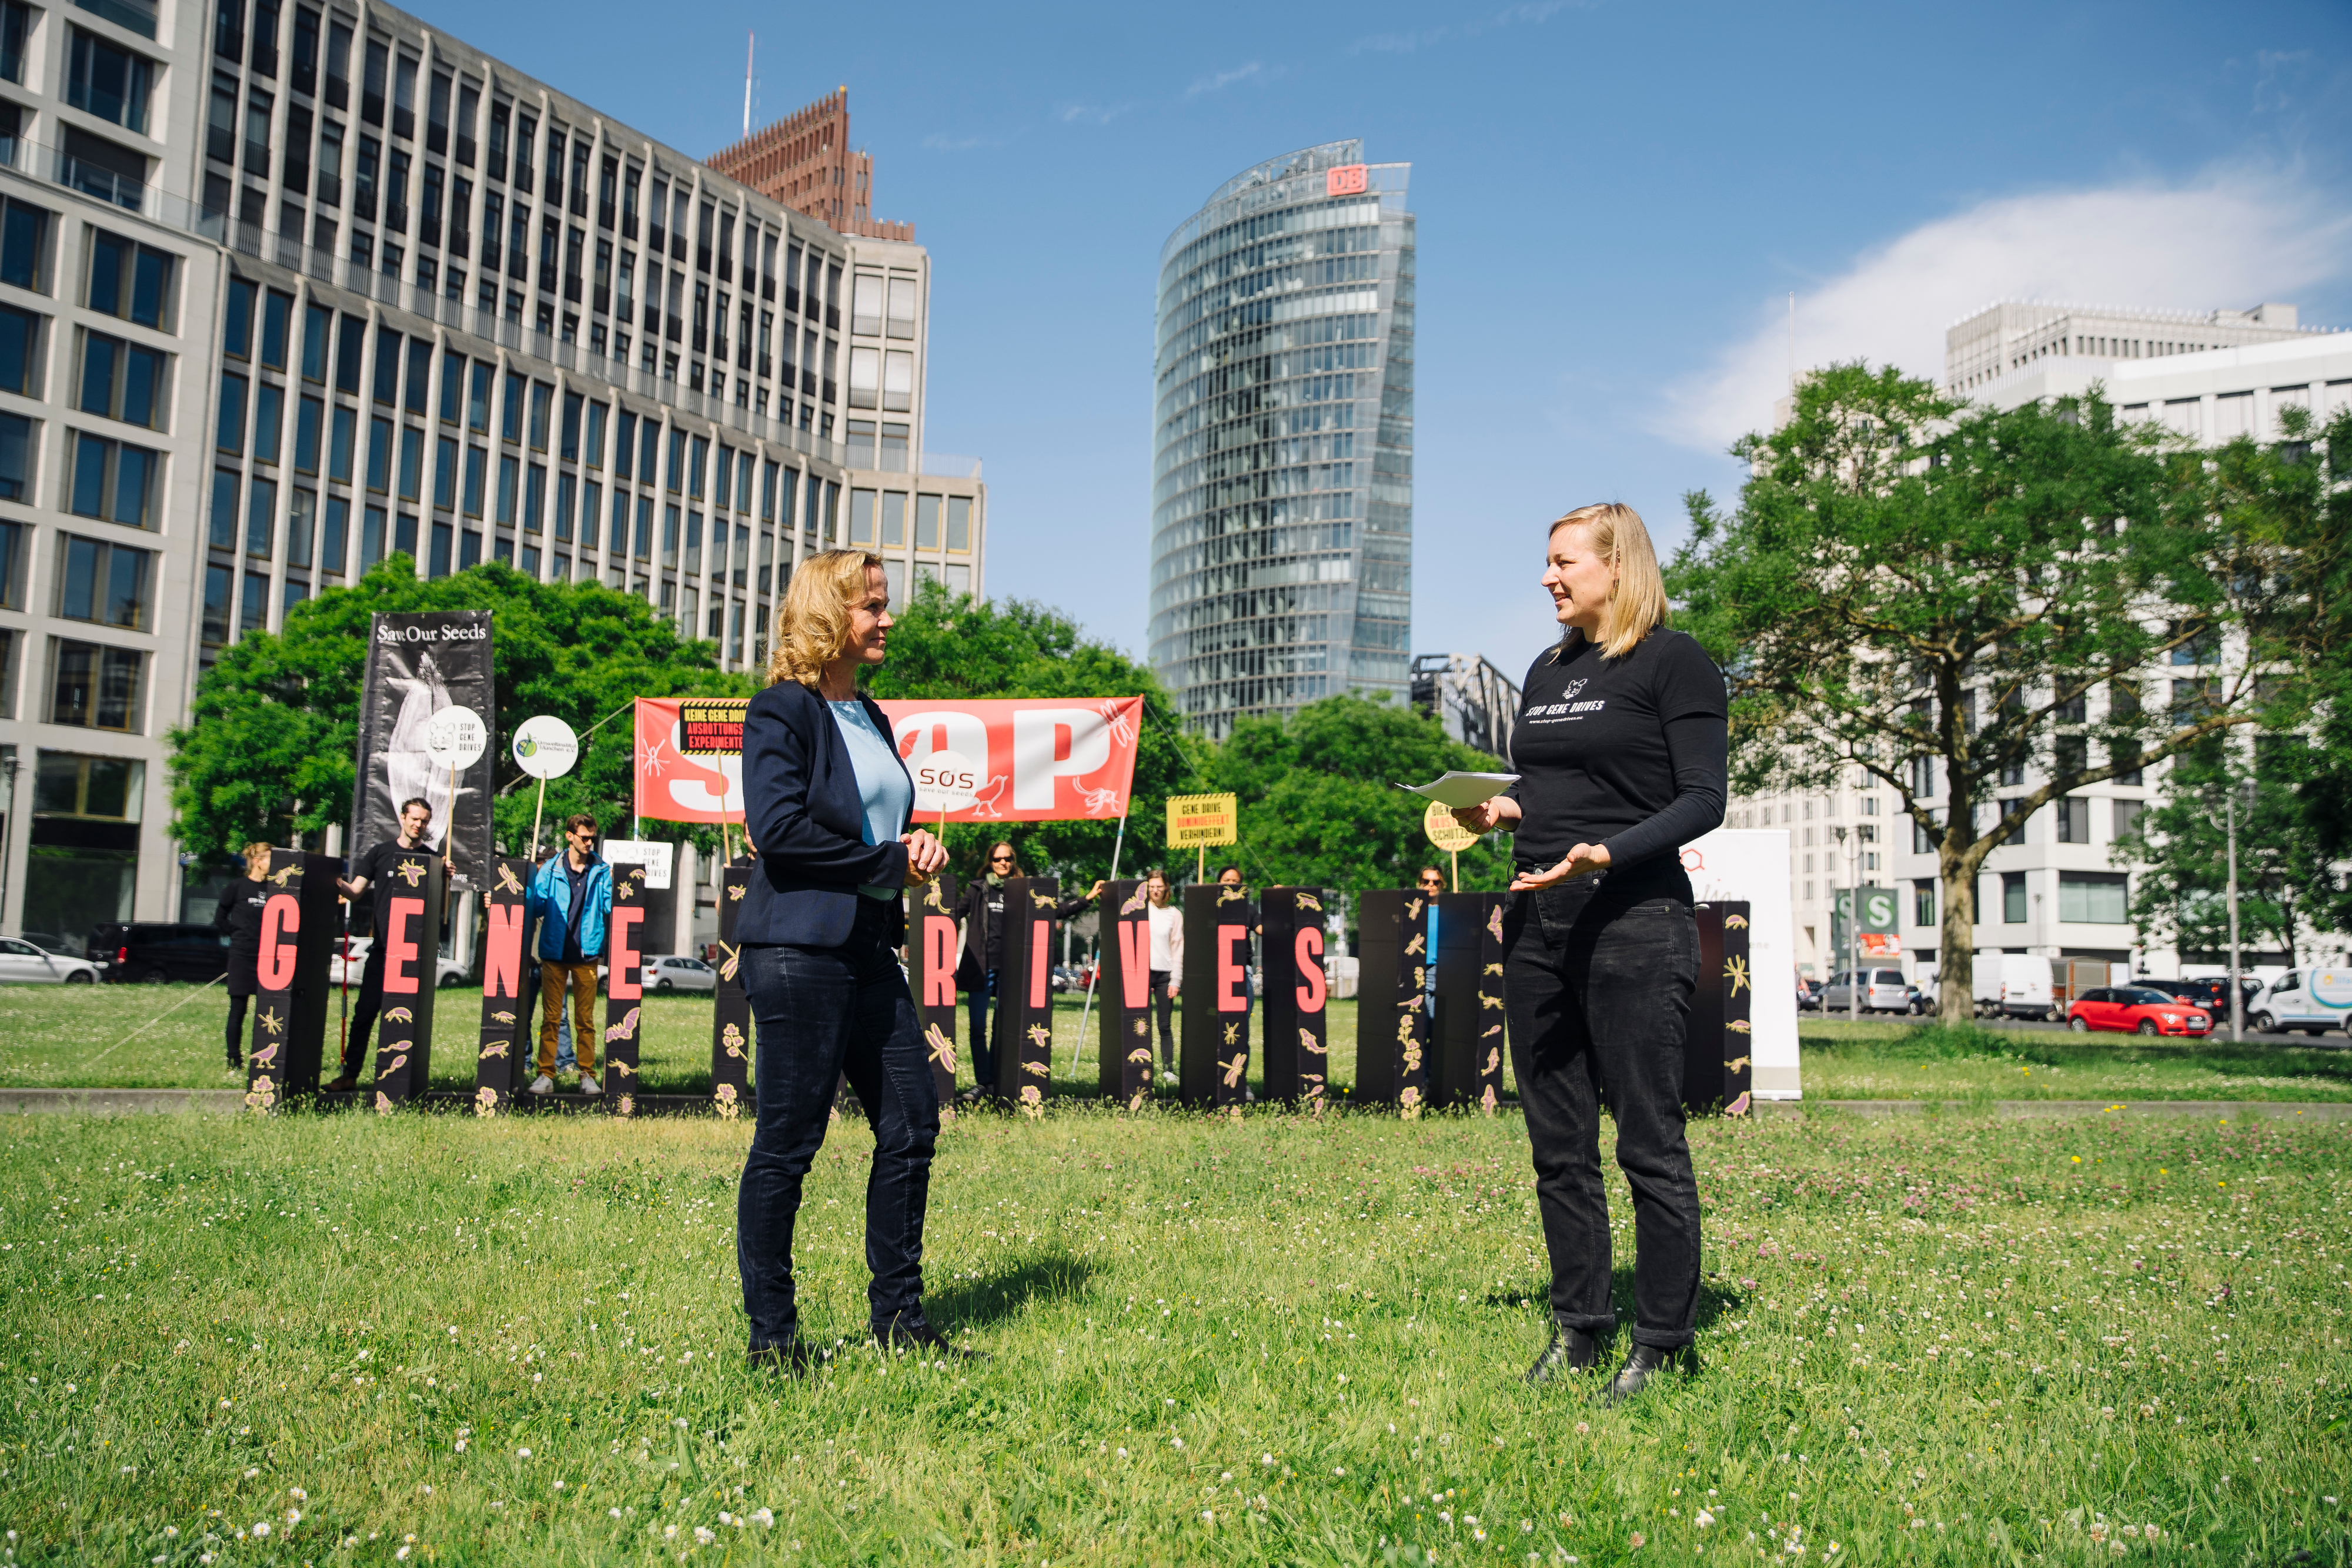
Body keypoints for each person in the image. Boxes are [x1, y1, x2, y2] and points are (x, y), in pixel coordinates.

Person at [1451, 502, 1726, 1403]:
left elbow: (1702, 798)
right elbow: (1553, 783)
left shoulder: (1674, 661)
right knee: (1557, 1142)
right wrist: (1504, 808)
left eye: (1564, 560)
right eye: (1547, 561)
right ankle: (1580, 1327)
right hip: (1538, 920)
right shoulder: (1548, 667)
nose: (1547, 576)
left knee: (1648, 1138)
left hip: (1634, 917)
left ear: (1617, 565)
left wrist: (1606, 851)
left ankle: (1662, 1338)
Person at [734, 549, 961, 1373]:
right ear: (832, 613)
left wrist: (917, 843)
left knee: (912, 1122)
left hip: (868, 944)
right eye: (873, 604)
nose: (887, 617)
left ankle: (899, 1318)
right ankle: (774, 1339)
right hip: (797, 948)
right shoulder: (780, 711)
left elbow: (876, 824)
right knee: (788, 1144)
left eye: (884, 603)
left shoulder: (874, 715)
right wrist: (884, 862)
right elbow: (782, 831)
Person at [952, 842, 1103, 1098]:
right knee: (977, 1027)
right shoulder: (977, 889)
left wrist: (1086, 898)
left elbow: (1055, 911)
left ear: (1013, 861)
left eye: (1008, 858)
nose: (1003, 863)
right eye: (998, 859)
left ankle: (1000, 1082)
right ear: (990, 861)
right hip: (981, 967)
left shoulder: (1023, 891)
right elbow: (953, 913)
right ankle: (984, 1083)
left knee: (1005, 1029)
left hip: (1012, 969)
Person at [328, 797, 440, 1093]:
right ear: (402, 818)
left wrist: (444, 879)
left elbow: (442, 912)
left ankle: (403, 1080)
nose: (418, 825)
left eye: (424, 821)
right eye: (414, 818)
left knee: (408, 1019)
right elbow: (354, 893)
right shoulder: (380, 853)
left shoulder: (432, 858)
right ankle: (350, 1074)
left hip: (412, 957)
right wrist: (331, 879)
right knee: (364, 1014)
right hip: (381, 952)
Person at [523, 814, 611, 1096]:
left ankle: (587, 1074)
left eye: (592, 837)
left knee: (585, 1020)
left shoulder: (601, 870)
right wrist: (524, 886)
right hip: (554, 953)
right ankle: (545, 1074)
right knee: (551, 1018)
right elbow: (535, 906)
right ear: (569, 836)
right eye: (584, 837)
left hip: (587, 955)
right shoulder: (549, 870)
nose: (589, 842)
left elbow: (612, 906)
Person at [214, 842, 273, 1071]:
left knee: (267, 1011)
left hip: (267, 958)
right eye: (270, 858)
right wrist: (239, 934)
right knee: (238, 1009)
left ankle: (264, 1058)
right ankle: (234, 1060)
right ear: (257, 861)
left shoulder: (276, 889)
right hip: (241, 956)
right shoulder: (236, 887)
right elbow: (219, 919)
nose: (274, 864)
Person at [1142, 868, 1181, 1072]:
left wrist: (1176, 980)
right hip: (1142, 973)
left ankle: (1168, 1070)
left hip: (1164, 975)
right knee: (1140, 1024)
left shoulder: (1174, 914)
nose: (1155, 891)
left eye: (1159, 886)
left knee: (1164, 1025)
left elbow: (1178, 948)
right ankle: (1141, 1067)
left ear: (1166, 887)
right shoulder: (1140, 910)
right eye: (1151, 887)